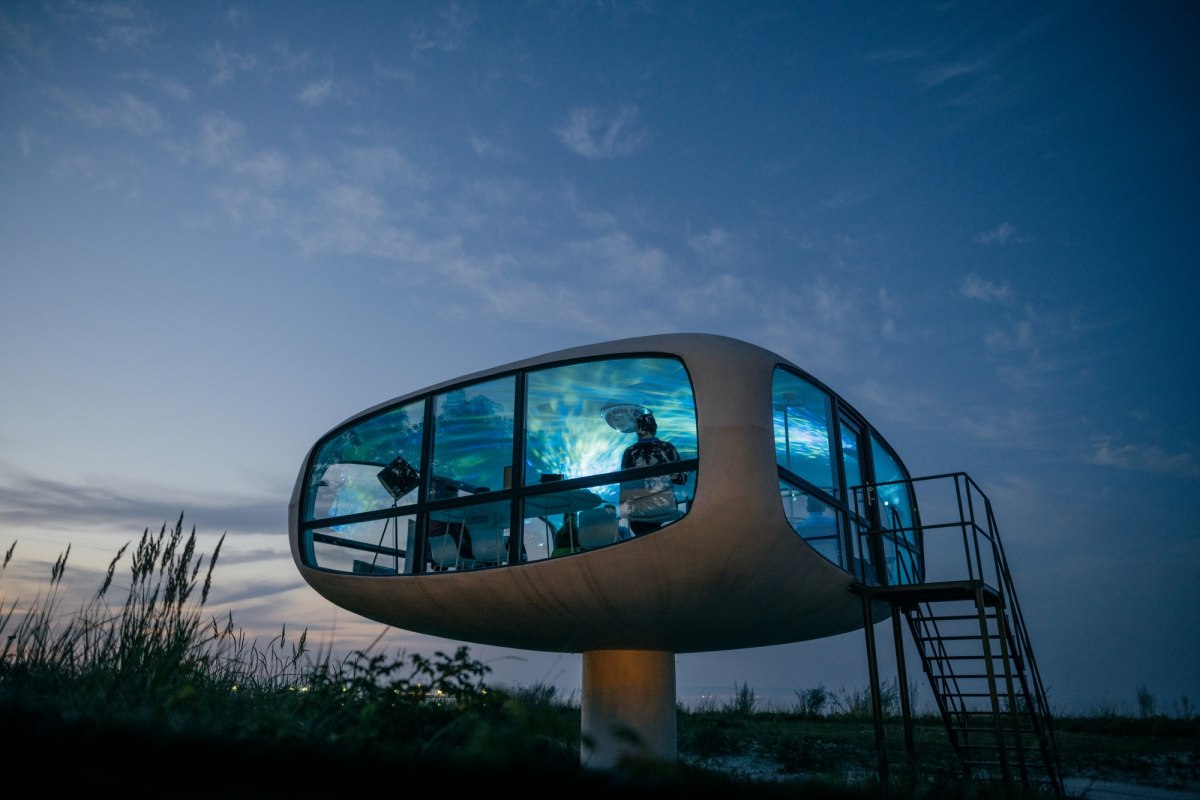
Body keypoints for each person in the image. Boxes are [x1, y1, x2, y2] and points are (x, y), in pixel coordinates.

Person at [619, 411, 686, 535]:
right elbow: (681, 480)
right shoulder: (667, 448)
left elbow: (625, 485)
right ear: (655, 428)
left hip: (639, 516)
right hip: (666, 511)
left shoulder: (629, 452)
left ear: (637, 431)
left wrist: (625, 511)